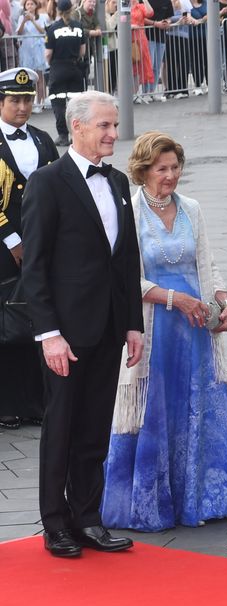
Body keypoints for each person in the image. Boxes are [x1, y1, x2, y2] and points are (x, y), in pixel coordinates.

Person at [100, 132, 227, 531]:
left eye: (175, 167)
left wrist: (223, 301)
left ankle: (201, 499)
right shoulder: (129, 213)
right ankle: (150, 504)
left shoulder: (192, 208)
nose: (170, 176)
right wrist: (175, 299)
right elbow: (123, 279)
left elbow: (207, 264)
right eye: (161, 169)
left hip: (194, 332)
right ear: (142, 171)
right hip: (154, 331)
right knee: (155, 411)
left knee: (198, 409)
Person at [22, 90, 144, 557]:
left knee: (94, 426)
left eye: (115, 126)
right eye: (106, 127)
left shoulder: (115, 182)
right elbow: (34, 267)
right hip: (66, 334)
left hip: (109, 327)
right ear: (77, 127)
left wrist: (132, 323)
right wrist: (48, 333)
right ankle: (55, 523)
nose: (114, 134)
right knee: (61, 427)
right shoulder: (47, 183)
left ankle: (88, 518)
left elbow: (126, 258)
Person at [0, 67, 58, 431]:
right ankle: (7, 402)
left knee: (39, 320)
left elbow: (57, 189)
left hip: (41, 246)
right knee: (7, 325)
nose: (23, 107)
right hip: (3, 249)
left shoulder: (42, 139)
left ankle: (37, 401)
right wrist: (13, 240)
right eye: (15, 101)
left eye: (27, 99)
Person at [44, 0, 86, 147]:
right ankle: (77, 136)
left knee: (58, 104)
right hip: (75, 69)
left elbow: (48, 54)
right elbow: (82, 51)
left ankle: (63, 136)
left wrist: (52, 64)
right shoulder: (79, 27)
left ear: (58, 10)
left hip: (58, 68)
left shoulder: (53, 28)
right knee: (76, 105)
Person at [15, 0, 48, 112]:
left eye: (31, 4)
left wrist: (33, 20)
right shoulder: (21, 18)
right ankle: (31, 102)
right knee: (29, 78)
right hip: (26, 50)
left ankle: (40, 102)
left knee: (39, 77)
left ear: (36, 6)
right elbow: (19, 32)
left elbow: (43, 31)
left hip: (38, 48)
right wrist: (24, 21)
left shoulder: (41, 17)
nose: (29, 6)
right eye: (27, 4)